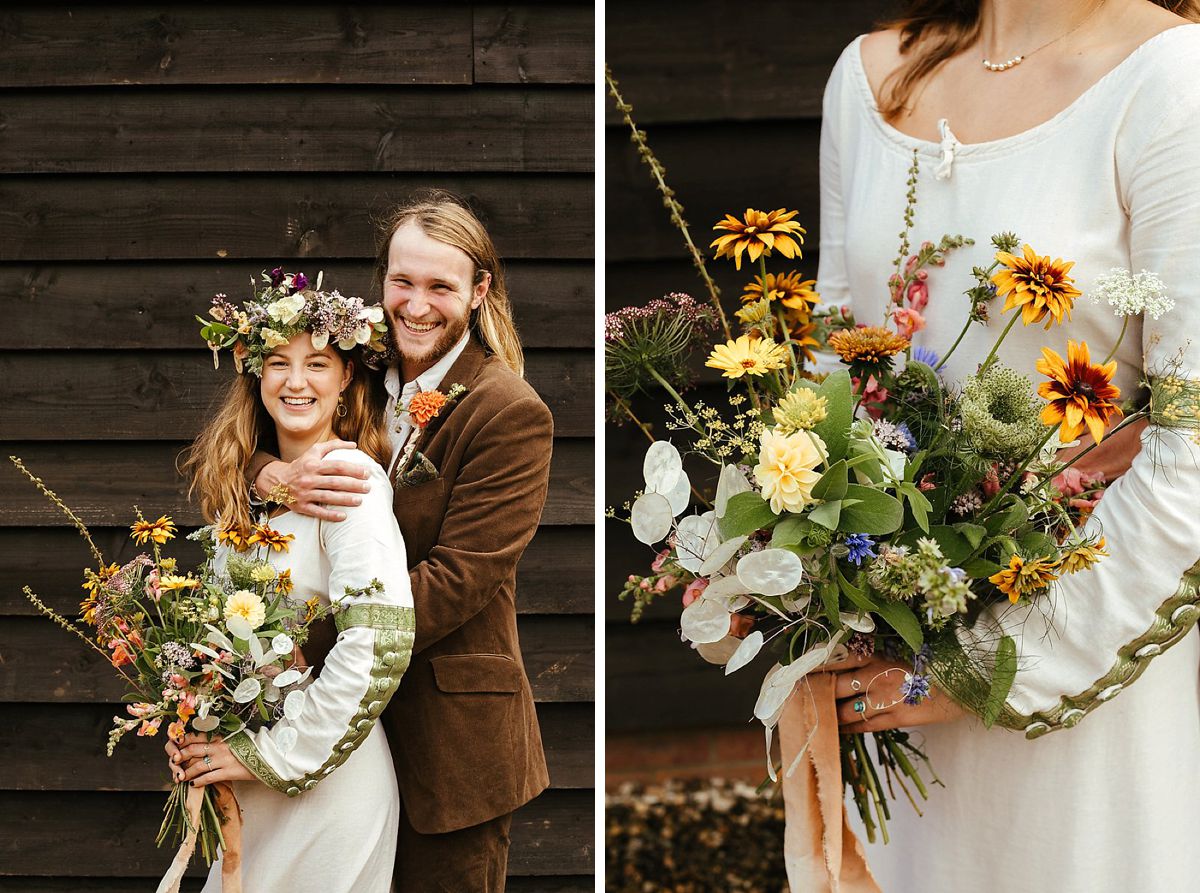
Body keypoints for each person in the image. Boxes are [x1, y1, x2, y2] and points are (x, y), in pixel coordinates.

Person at [808, 1, 1200, 890]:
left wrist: (979, 666)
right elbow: (829, 363)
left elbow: (1194, 447)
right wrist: (798, 569)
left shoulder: (1172, 81)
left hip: (1080, 669)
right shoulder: (868, 77)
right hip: (887, 661)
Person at [248, 191, 554, 892]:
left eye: (440, 286)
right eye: (402, 282)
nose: (416, 305)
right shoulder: (351, 368)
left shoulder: (508, 411)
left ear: (479, 292)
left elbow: (459, 578)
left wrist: (306, 649)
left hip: (447, 743)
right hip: (339, 736)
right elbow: (243, 436)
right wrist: (270, 474)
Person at [166, 275, 414, 892]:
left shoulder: (348, 479)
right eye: (278, 362)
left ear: (346, 379)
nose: (296, 382)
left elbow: (379, 640)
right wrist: (196, 727)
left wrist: (272, 757)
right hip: (250, 779)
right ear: (256, 374)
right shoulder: (250, 491)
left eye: (317, 364)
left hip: (324, 783)